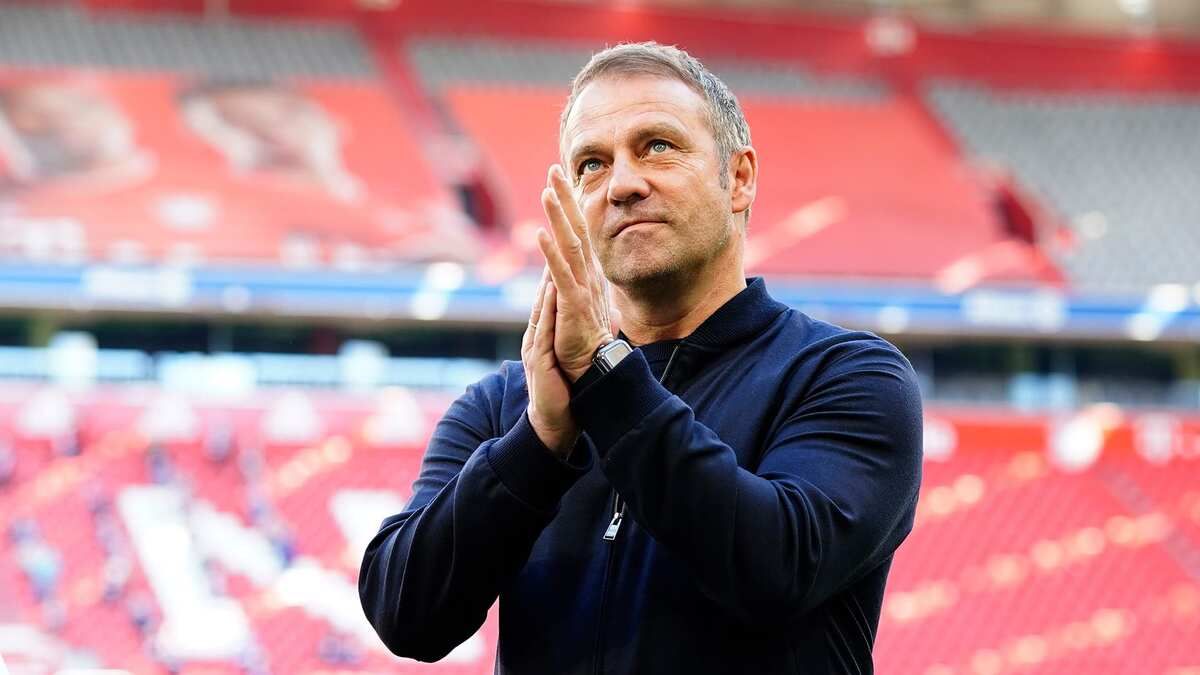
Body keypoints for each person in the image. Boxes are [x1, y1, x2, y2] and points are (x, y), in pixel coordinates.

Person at [359, 42, 923, 674]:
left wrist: (605, 377)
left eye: (657, 146)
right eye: (592, 165)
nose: (623, 184)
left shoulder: (846, 375)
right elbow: (405, 613)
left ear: (738, 179)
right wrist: (539, 444)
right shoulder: (506, 405)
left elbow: (778, 568)